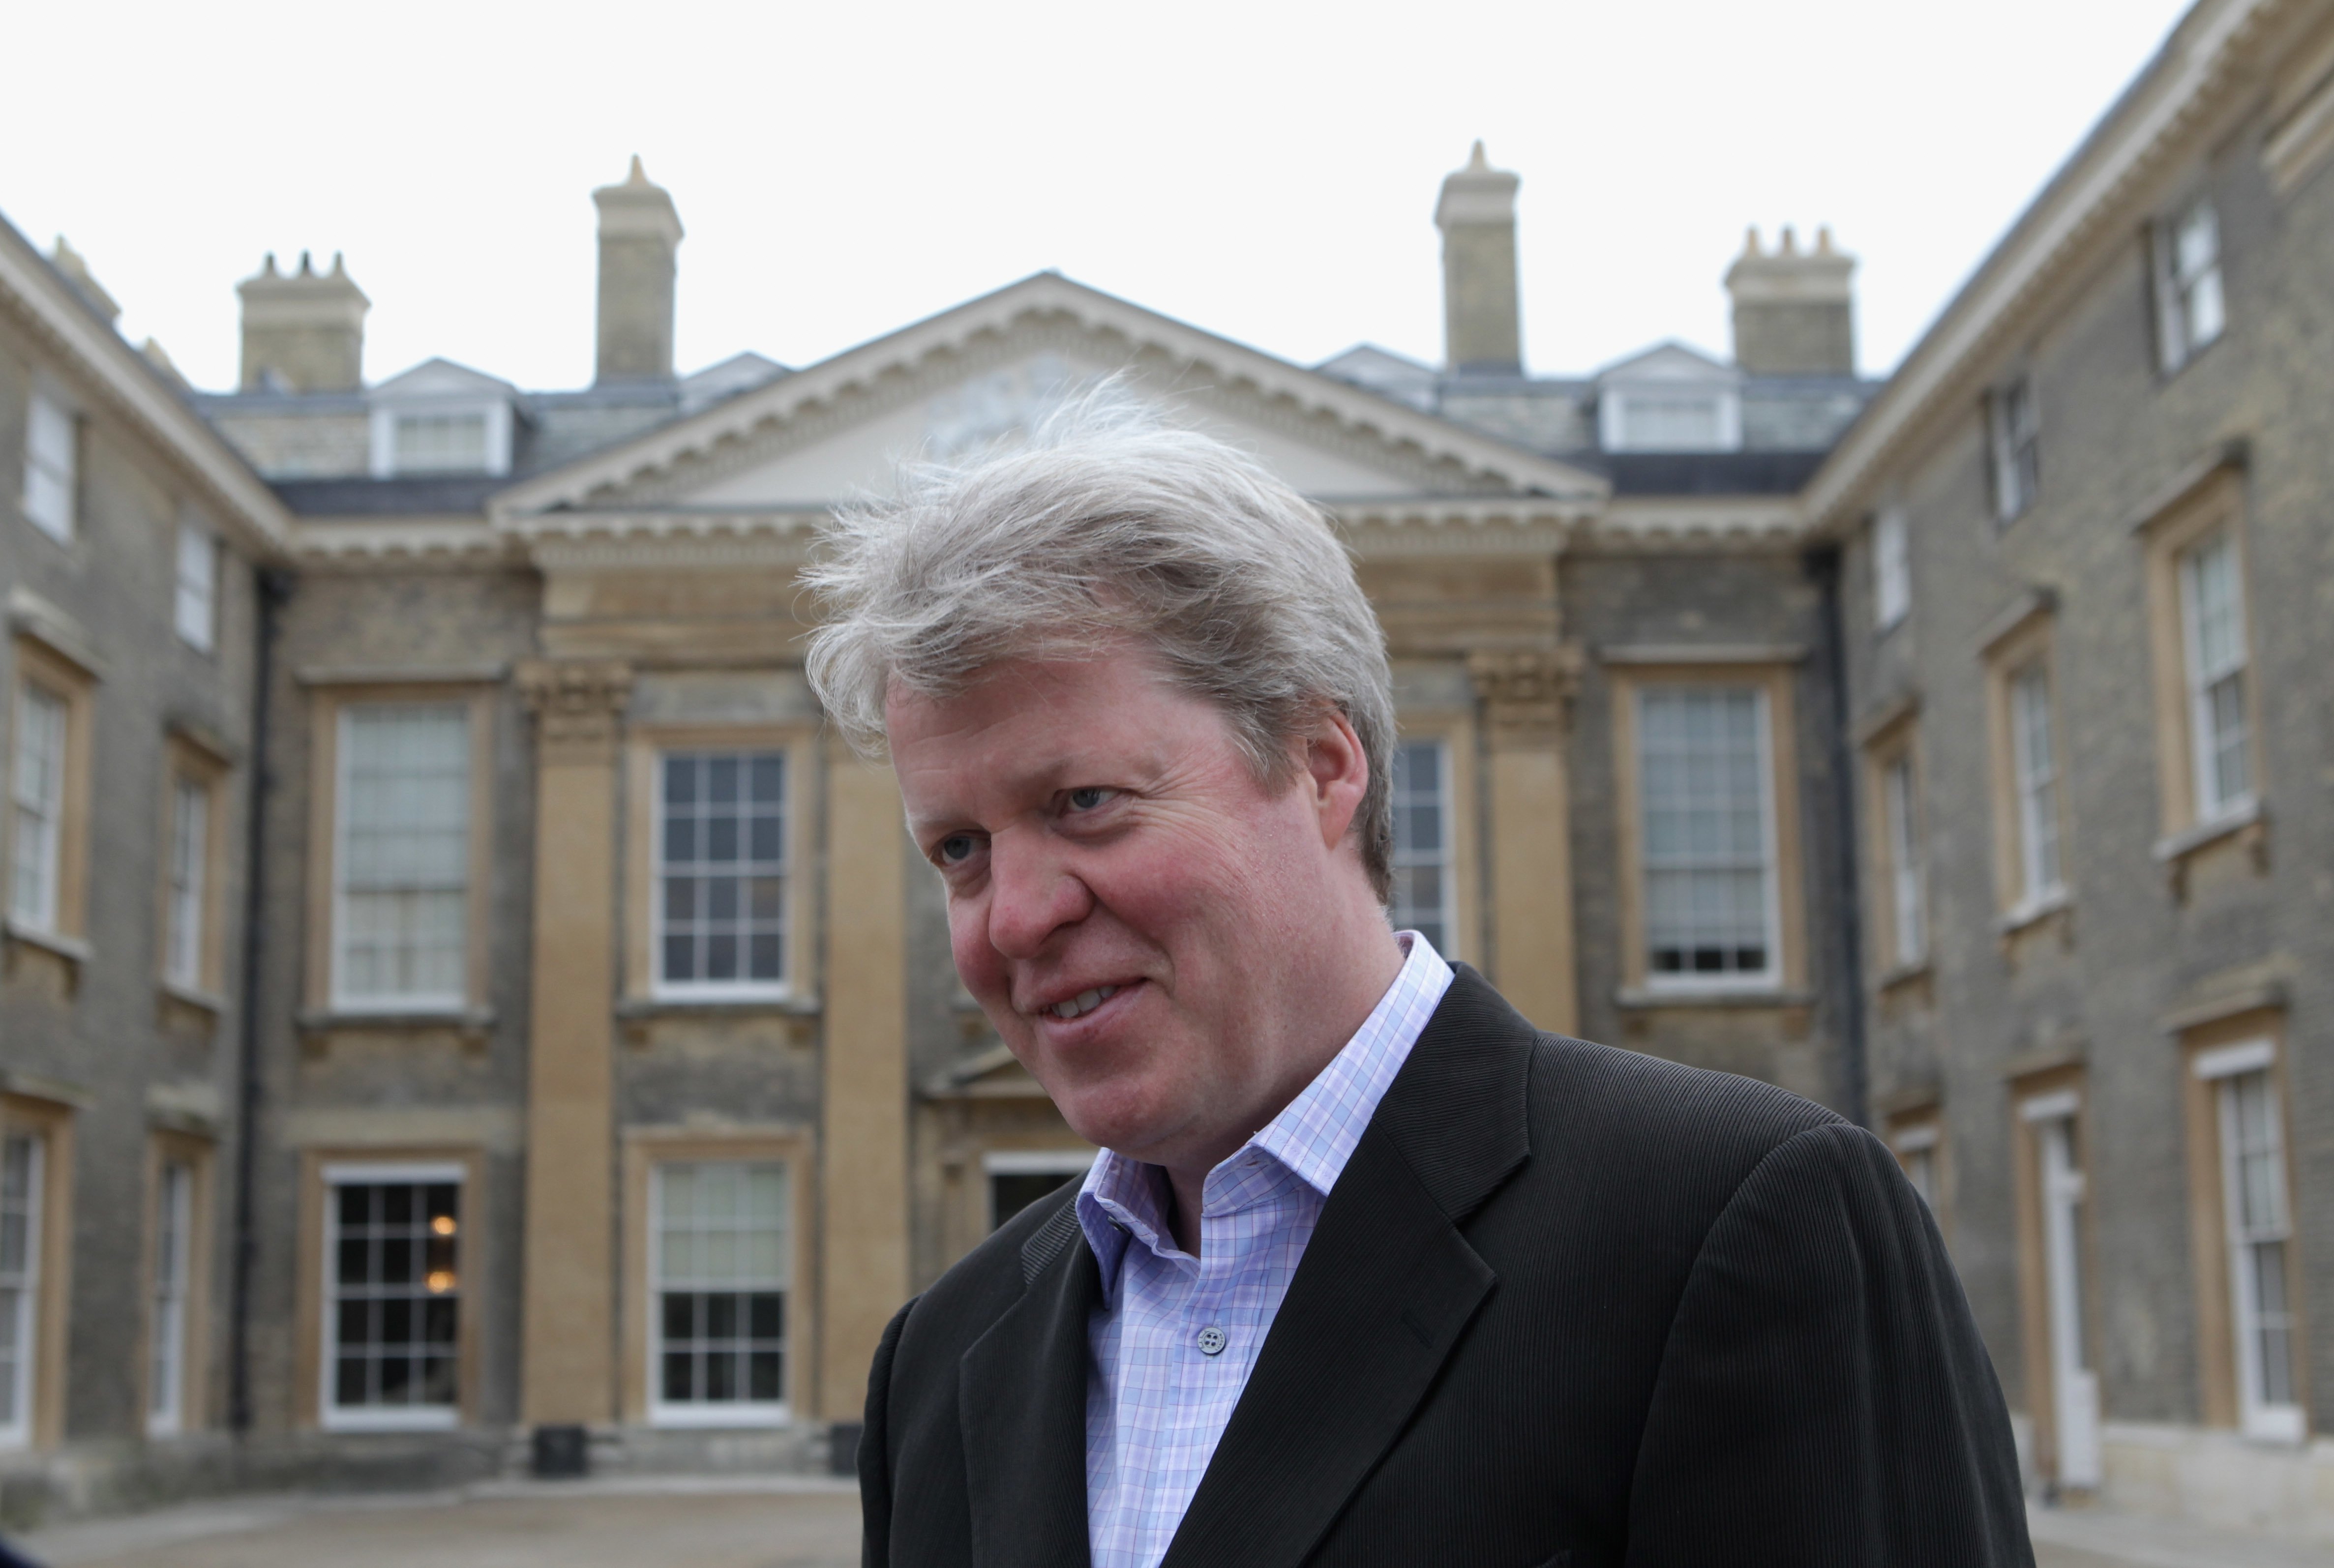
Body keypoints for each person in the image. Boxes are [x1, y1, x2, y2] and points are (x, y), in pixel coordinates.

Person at [807, 405, 2032, 1568]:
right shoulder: (942, 1352)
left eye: (1085, 804)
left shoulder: (1741, 1219)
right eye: (960, 849)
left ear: (1322, 765)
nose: (1016, 915)